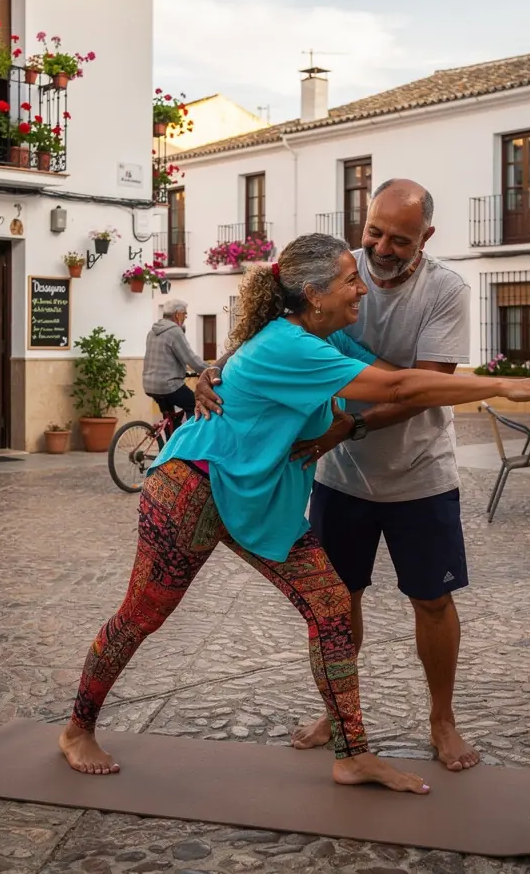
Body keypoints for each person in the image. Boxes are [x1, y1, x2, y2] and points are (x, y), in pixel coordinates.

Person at [60, 232, 530, 792]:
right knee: (144, 613)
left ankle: (352, 754)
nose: (363, 290)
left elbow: (408, 387)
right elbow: (398, 382)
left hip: (253, 494)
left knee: (329, 605)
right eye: (351, 280)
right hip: (193, 489)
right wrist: (504, 385)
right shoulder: (292, 347)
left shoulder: (326, 341)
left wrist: (493, 382)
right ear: (313, 292)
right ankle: (78, 727)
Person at [199, 179, 481, 773]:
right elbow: (271, 331)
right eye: (373, 231)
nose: (378, 248)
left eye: (399, 240)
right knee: (338, 599)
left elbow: (420, 386)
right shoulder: (333, 268)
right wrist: (214, 368)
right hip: (340, 478)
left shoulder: (446, 290)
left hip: (419, 472)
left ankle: (442, 718)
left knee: (432, 600)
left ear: (426, 238)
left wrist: (346, 430)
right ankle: (338, 711)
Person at [141, 299, 207, 420]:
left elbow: (165, 358)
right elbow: (191, 359)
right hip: (168, 385)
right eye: (185, 314)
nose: (185, 317)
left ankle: (170, 437)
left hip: (149, 385)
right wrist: (210, 369)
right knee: (194, 404)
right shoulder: (174, 331)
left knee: (171, 417)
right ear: (178, 314)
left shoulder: (152, 331)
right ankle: (192, 437)